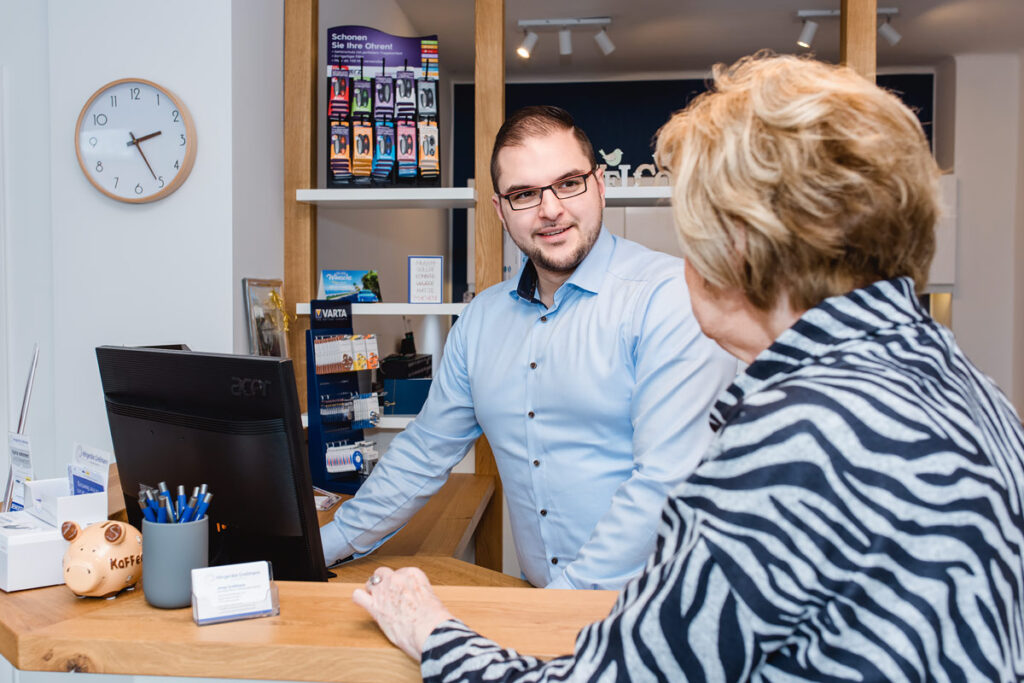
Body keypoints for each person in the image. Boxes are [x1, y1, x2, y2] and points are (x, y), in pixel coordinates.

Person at [351, 54, 1024, 681]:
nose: (684, 248)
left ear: (742, 238)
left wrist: (432, 628)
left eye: (691, 214)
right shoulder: (960, 379)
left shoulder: (797, 439)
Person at [320, 105, 736, 590]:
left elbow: (666, 480)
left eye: (568, 183)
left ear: (599, 184)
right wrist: (318, 548)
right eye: (523, 193)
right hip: (544, 604)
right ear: (499, 210)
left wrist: (553, 611)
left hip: (661, 610)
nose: (551, 209)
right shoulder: (480, 320)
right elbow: (423, 453)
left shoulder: (667, 298)